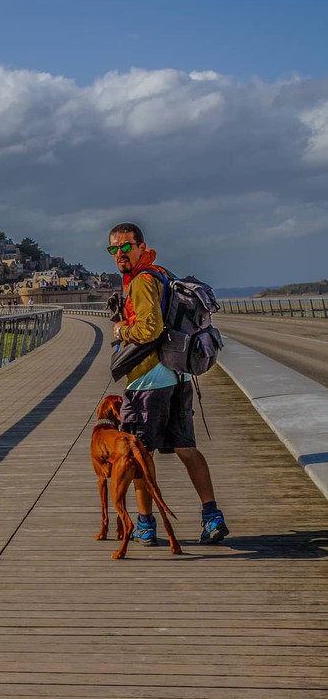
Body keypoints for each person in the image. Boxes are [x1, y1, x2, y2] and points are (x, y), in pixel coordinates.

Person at [107, 222, 229, 546]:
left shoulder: (142, 282)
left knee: (140, 455)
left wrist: (120, 330)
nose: (119, 254)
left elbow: (149, 329)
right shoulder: (161, 273)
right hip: (179, 374)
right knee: (186, 448)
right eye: (113, 249)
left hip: (149, 381)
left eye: (125, 247)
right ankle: (212, 516)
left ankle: (146, 526)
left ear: (140, 247)